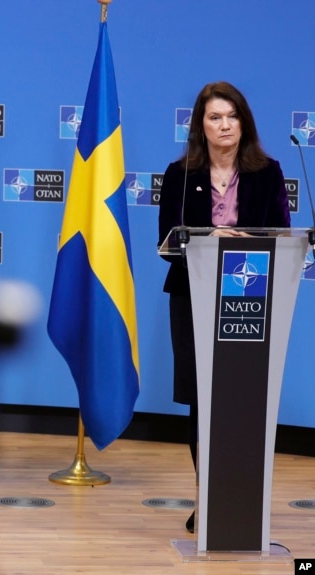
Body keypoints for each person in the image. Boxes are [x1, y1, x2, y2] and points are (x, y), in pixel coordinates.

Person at [156, 81, 290, 534]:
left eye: (232, 116)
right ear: (201, 125)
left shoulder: (267, 172)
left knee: (242, 400)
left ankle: (240, 501)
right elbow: (167, 242)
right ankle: (208, 499)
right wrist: (205, 236)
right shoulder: (182, 174)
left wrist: (245, 242)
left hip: (248, 298)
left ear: (243, 121)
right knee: (204, 401)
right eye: (215, 117)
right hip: (192, 296)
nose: (225, 124)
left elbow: (282, 236)